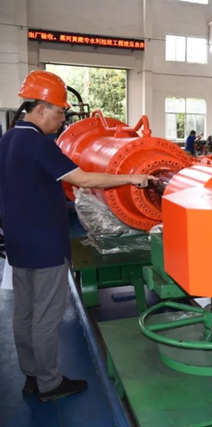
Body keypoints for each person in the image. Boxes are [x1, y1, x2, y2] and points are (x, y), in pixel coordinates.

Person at [0, 70, 155, 403]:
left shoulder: (8, 139)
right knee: (46, 316)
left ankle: (31, 376)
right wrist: (132, 178)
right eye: (59, 112)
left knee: (24, 313)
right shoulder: (39, 144)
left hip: (18, 243)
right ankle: (50, 383)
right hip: (45, 247)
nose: (61, 120)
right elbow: (84, 179)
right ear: (41, 108)